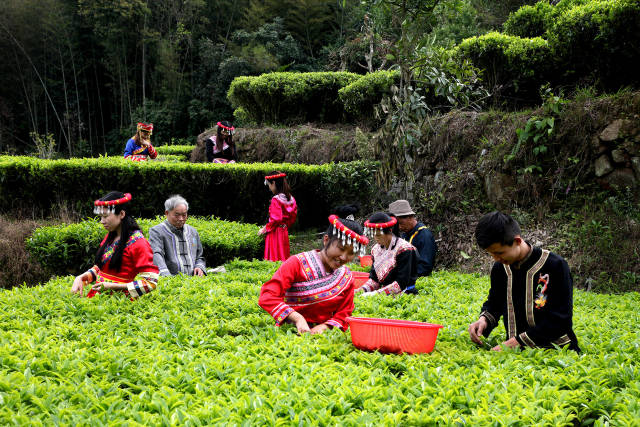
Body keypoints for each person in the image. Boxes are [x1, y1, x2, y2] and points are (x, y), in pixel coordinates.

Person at [468, 211, 580, 352]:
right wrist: (484, 320)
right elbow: (495, 303)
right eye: (491, 254)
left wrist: (513, 343)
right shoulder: (500, 268)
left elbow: (560, 320)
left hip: (557, 350)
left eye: (499, 253)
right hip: (515, 354)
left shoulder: (555, 266)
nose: (496, 258)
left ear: (517, 241)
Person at [258, 215, 369, 334]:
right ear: (326, 240)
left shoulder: (346, 276)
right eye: (341, 248)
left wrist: (325, 327)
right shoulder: (296, 263)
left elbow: (344, 313)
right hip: (289, 333)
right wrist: (297, 318)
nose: (343, 257)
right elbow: (268, 296)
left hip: (324, 337)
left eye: (351, 253)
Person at [70, 192, 159, 298]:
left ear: (121, 214)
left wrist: (113, 286)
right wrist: (82, 277)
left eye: (106, 216)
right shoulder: (110, 237)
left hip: (120, 302)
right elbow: (102, 268)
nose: (102, 221)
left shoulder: (139, 243)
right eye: (100, 217)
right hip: (97, 298)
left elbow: (151, 283)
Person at [356, 212, 418, 296]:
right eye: (373, 235)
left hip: (406, 294)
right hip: (384, 295)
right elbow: (374, 280)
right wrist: (361, 290)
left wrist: (375, 294)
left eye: (378, 235)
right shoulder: (375, 250)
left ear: (390, 231)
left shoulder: (405, 249)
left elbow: (401, 283)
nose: (376, 238)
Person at [148, 195, 206, 277]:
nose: (181, 219)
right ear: (167, 213)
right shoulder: (156, 231)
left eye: (184, 215)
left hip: (194, 281)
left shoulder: (193, 232)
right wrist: (166, 276)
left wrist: (199, 267)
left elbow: (199, 256)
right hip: (171, 281)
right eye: (177, 215)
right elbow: (156, 254)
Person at [388, 199, 436, 276]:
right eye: (397, 225)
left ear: (410, 217)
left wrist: (404, 275)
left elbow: (425, 267)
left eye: (401, 223)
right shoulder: (405, 234)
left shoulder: (424, 235)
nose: (400, 227)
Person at [259, 171, 297, 261]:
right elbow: (293, 217)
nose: (269, 187)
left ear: (274, 183)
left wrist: (264, 229)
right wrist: (285, 225)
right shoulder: (291, 198)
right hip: (284, 231)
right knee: (283, 257)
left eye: (269, 184)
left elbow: (276, 219)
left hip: (275, 233)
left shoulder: (276, 199)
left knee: (274, 258)